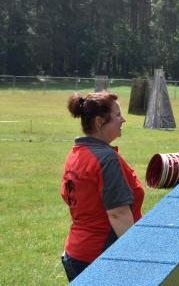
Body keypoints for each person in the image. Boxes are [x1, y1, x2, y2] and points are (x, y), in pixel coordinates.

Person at [60, 92, 145, 282]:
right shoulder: (106, 159)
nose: (123, 119)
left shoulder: (76, 153)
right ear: (99, 122)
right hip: (101, 259)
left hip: (75, 254)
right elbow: (118, 214)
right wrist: (138, 259)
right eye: (117, 115)